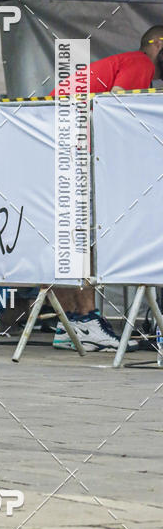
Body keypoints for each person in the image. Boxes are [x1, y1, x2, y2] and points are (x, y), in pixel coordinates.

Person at [50, 26, 163, 350]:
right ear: (157, 45)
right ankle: (85, 319)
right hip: (71, 146)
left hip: (54, 141)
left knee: (65, 236)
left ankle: (69, 324)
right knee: (81, 233)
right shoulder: (142, 63)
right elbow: (117, 115)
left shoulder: (124, 63)